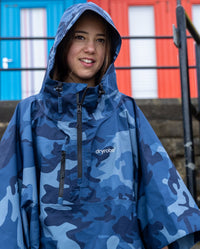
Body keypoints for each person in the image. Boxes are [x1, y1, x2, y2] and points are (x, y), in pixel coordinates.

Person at [0, 2, 200, 249]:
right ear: (62, 44)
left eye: (101, 40)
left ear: (110, 49)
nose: (91, 48)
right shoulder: (29, 115)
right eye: (80, 37)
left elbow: (162, 197)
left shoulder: (126, 113)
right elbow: (7, 206)